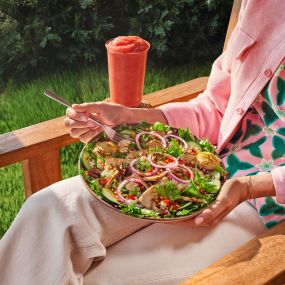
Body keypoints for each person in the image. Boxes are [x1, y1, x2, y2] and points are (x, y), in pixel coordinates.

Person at [0, 0, 284, 284]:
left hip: (265, 207)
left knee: (103, 278)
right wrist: (133, 118)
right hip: (202, 170)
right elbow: (216, 107)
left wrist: (249, 187)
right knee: (49, 211)